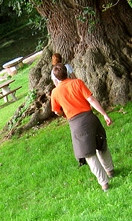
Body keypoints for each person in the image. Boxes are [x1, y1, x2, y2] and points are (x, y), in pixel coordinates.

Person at [51, 63, 115, 192]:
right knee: (101, 144)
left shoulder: (55, 92)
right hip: (90, 118)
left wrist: (63, 114)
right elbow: (91, 99)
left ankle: (104, 184)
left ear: (56, 78)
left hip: (76, 124)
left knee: (89, 154)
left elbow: (56, 111)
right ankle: (110, 171)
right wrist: (104, 114)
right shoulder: (77, 82)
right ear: (67, 72)